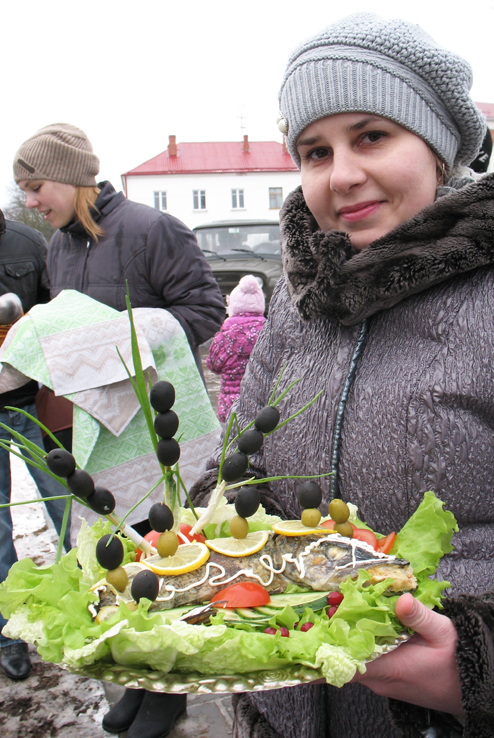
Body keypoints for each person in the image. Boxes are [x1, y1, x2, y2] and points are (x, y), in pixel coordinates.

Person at [190, 14, 494, 738]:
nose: (342, 174)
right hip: (283, 705)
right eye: (316, 151)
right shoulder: (297, 298)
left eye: (372, 135)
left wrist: (484, 665)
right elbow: (237, 474)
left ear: (438, 147)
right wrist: (193, 545)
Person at [14, 124, 226, 738]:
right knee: (115, 564)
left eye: (36, 186)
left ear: (74, 176)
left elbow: (204, 310)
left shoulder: (150, 229)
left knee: (163, 558)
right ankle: (139, 674)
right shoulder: (59, 246)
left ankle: (170, 690)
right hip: (99, 433)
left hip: (157, 433)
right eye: (23, 190)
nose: (30, 201)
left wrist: (127, 340)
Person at [0, 208, 71, 681]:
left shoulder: (28, 243)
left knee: (70, 504)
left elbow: (57, 314)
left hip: (31, 400)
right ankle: (7, 635)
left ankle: (90, 605)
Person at [206, 274, 267, 422]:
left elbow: (213, 366)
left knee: (232, 443)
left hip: (231, 407)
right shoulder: (269, 333)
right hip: (264, 406)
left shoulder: (225, 336)